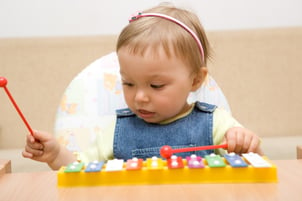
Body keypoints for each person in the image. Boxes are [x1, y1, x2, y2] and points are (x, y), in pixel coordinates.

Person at [22, 4, 263, 170]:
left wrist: (245, 146)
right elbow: (80, 169)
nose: (139, 97)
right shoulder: (117, 130)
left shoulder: (217, 124)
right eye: (128, 83)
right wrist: (55, 156)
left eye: (156, 85)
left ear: (195, 81)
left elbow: (256, 162)